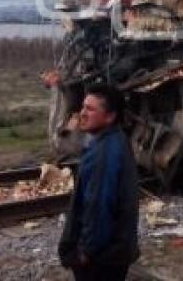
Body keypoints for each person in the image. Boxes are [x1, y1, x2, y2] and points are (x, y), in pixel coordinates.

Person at [58, 83, 140, 281]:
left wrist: (86, 251)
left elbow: (98, 207)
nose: (82, 113)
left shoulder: (103, 153)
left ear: (110, 116)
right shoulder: (115, 140)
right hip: (114, 253)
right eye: (83, 106)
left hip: (102, 259)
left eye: (91, 109)